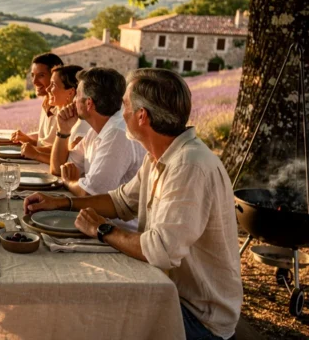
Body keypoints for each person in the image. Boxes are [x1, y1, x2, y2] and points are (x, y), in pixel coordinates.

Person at [25, 68, 242, 340]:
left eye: (125, 104)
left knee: (81, 318)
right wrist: (60, 203)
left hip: (195, 317)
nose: (120, 110)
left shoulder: (189, 166)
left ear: (142, 116)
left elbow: (161, 250)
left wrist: (102, 230)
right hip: (166, 290)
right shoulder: (161, 155)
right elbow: (120, 201)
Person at [50, 68, 145, 202]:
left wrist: (69, 182)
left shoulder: (118, 135)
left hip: (113, 222)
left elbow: (91, 194)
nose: (74, 101)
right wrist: (63, 131)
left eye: (77, 95)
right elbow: (58, 169)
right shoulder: (96, 130)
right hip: (96, 215)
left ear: (89, 104)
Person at [20, 65, 91, 163]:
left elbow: (66, 161)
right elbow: (60, 150)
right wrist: (32, 148)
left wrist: (36, 154)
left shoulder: (81, 123)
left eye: (53, 85)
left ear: (70, 93)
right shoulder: (69, 117)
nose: (47, 89)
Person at [10, 52, 64, 148]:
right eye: (33, 75)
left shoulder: (64, 107)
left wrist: (30, 141)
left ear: (55, 76)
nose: (34, 81)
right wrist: (25, 137)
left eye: (41, 75)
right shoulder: (46, 103)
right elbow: (46, 138)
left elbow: (57, 149)